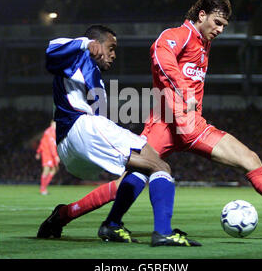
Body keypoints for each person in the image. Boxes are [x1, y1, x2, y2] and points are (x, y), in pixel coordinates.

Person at [52, 0, 262, 232]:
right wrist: (184, 91)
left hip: (193, 127)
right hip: (164, 124)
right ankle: (73, 215)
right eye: (217, 22)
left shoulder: (204, 45)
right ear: (201, 14)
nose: (220, 29)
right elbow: (160, 55)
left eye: (224, 25)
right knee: (131, 179)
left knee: (249, 158)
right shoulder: (178, 35)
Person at [36, 25, 200, 247]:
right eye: (111, 48)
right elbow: (50, 50)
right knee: (161, 167)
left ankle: (87, 219)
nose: (113, 54)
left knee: (144, 163)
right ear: (97, 43)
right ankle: (163, 232)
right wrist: (85, 43)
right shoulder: (78, 56)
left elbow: (100, 117)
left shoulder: (94, 77)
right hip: (79, 129)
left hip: (71, 150)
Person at [36, 120, 60, 195]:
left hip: (47, 152)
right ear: (52, 123)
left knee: (55, 169)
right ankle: (43, 189)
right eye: (56, 123)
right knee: (47, 169)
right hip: (47, 153)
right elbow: (51, 145)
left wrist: (38, 152)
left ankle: (44, 188)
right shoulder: (51, 132)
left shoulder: (48, 131)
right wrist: (55, 156)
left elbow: (42, 141)